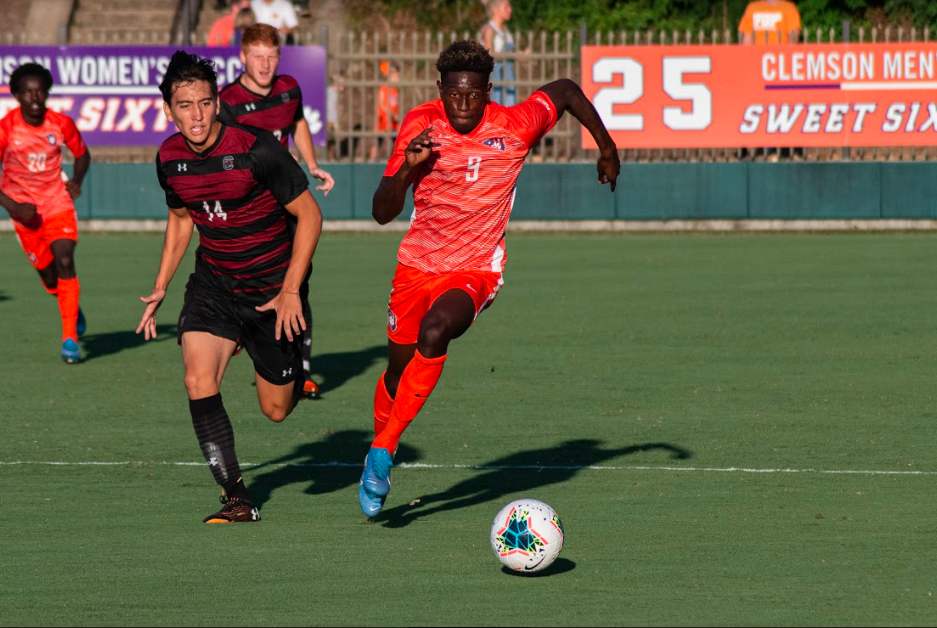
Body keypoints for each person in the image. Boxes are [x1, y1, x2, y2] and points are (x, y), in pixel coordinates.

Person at [358, 40, 620, 518]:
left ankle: (382, 453)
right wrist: (406, 171)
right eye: (454, 95)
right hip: (416, 265)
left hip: (475, 267)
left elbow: (564, 91)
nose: (463, 105)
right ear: (440, 89)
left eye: (474, 96)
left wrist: (606, 146)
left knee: (436, 331)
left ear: (488, 91)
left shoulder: (515, 125)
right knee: (396, 372)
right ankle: (380, 439)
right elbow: (380, 212)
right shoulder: (421, 123)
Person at [137, 51, 323, 524]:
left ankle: (289, 351)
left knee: (276, 411)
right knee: (197, 380)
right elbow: (180, 221)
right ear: (169, 109)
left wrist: (290, 291)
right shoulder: (169, 158)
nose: (196, 115)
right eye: (184, 105)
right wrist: (161, 285)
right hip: (214, 284)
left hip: (271, 288)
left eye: (204, 103)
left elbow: (310, 215)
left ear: (217, 102)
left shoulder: (257, 148)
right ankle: (237, 497)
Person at [219, 23, 334, 398]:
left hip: (287, 201)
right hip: (249, 209)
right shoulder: (228, 101)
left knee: (298, 282)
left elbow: (297, 122)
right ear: (242, 57)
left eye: (271, 57)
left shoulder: (288, 89)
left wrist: (311, 163)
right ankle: (242, 333)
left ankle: (301, 371)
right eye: (257, 57)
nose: (265, 65)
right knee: (248, 278)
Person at [0, 63, 90, 363]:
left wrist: (76, 180)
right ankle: (71, 306)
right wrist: (12, 205)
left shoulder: (61, 123)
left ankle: (69, 340)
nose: (35, 97)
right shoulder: (7, 128)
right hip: (24, 215)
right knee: (51, 279)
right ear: (17, 95)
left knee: (65, 258)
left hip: (57, 204)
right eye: (28, 92)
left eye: (41, 90)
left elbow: (82, 153)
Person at [479, 0, 516, 106]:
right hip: (496, 74)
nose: (510, 10)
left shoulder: (506, 31)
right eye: (506, 7)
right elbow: (489, 54)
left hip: (508, 74)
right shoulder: (490, 30)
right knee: (497, 102)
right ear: (495, 10)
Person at [368, 61, 400, 161]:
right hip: (383, 119)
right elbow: (381, 104)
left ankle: (395, 159)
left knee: (398, 140)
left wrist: (395, 115)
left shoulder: (394, 90)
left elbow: (394, 105)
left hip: (392, 121)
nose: (398, 80)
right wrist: (391, 113)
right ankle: (371, 160)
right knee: (377, 141)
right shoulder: (384, 88)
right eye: (396, 77)